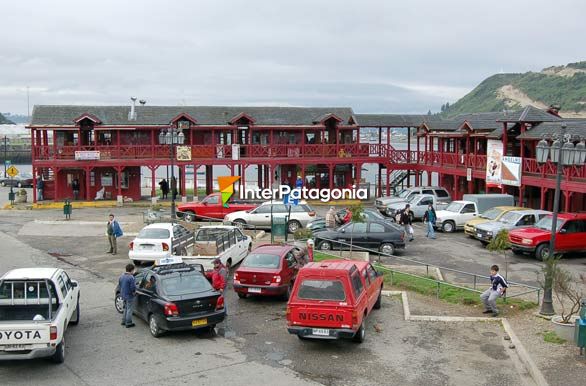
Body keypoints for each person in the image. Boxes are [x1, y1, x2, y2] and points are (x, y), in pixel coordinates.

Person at [119, 264, 136, 328]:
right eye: (133, 270)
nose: (134, 271)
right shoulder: (131, 277)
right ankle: (128, 322)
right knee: (129, 309)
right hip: (129, 296)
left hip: (123, 295)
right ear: (131, 270)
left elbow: (120, 284)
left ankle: (123, 321)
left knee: (125, 308)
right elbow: (133, 287)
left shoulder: (122, 276)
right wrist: (134, 292)